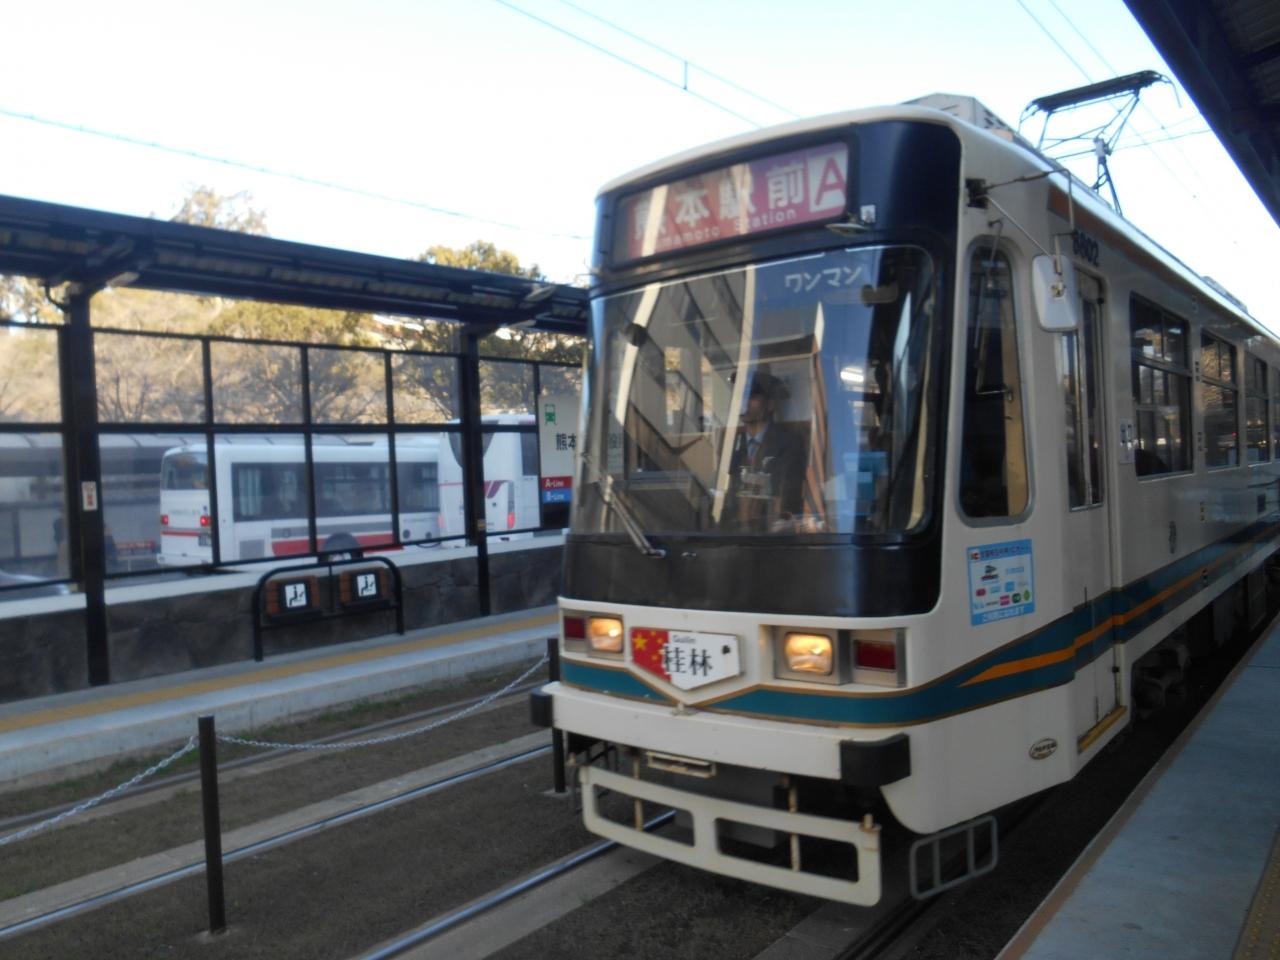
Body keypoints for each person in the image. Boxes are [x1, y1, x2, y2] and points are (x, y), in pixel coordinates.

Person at [724, 369, 804, 532]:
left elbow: (789, 499)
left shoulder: (789, 444)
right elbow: (728, 494)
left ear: (770, 404)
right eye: (741, 396)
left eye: (752, 397)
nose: (744, 403)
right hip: (736, 534)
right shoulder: (732, 445)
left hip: (771, 534)